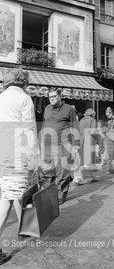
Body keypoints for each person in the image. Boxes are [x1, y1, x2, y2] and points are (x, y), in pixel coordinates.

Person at [0, 68, 38, 265]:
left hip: (2, 154)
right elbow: (29, 131)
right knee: (15, 196)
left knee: (7, 197)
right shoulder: (24, 99)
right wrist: (33, 160)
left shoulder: (1, 97)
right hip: (16, 155)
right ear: (23, 81)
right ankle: (28, 229)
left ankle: (27, 229)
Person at [39, 88, 79, 205]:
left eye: (54, 97)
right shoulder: (46, 108)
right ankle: (48, 195)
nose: (51, 99)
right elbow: (43, 125)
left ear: (59, 96)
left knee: (63, 172)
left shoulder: (69, 109)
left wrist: (76, 145)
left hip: (63, 145)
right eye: (49, 97)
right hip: (47, 145)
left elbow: (75, 127)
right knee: (47, 172)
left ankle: (61, 195)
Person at [79, 108, 99, 181]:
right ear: (93, 114)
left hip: (81, 141)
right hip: (89, 141)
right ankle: (78, 178)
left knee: (83, 159)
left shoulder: (81, 120)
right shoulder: (93, 120)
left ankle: (91, 176)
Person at [105, 107, 114, 173]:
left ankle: (111, 169)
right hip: (110, 138)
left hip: (112, 139)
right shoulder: (112, 120)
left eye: (108, 115)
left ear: (111, 113)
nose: (107, 116)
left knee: (111, 154)